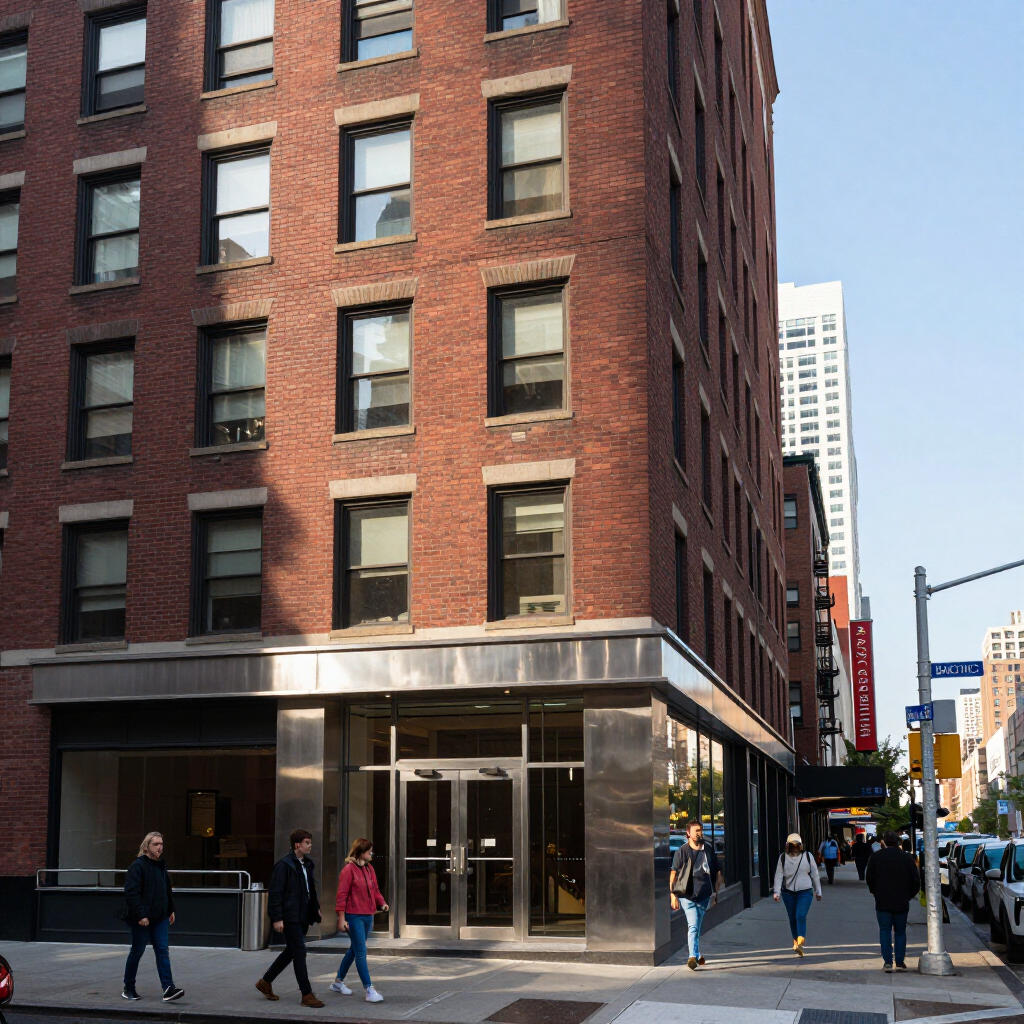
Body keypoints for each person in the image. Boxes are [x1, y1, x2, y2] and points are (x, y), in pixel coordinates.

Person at [256, 829, 324, 1007]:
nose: (310, 845)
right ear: (297, 845)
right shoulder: (284, 866)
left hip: (303, 915)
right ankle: (306, 994)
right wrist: (277, 918)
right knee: (299, 953)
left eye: (310, 842)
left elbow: (310, 890)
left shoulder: (306, 864)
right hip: (290, 916)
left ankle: (265, 981)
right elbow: (276, 894)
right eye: (307, 842)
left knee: (291, 951)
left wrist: (316, 909)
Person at [122, 832, 184, 1003]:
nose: (159, 847)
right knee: (137, 952)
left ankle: (168, 988)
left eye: (161, 844)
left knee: (163, 952)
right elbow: (131, 893)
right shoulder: (138, 866)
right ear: (146, 846)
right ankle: (129, 988)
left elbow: (166, 890)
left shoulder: (161, 866)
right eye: (156, 844)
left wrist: (170, 910)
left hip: (160, 918)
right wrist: (141, 915)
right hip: (142, 920)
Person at [330, 838, 388, 1003]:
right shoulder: (348, 870)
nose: (372, 853)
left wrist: (382, 903)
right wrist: (341, 918)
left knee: (355, 949)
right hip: (353, 916)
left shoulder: (370, 869)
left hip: (367, 915)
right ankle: (369, 989)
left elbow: (375, 890)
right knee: (361, 951)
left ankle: (338, 982)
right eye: (369, 850)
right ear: (361, 852)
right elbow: (341, 896)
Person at [669, 820, 723, 970]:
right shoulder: (682, 851)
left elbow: (717, 872)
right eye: (696, 831)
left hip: (704, 894)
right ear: (688, 834)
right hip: (687, 895)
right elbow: (673, 873)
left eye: (700, 830)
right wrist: (673, 895)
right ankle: (692, 956)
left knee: (697, 925)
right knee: (693, 925)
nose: (699, 833)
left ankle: (697, 954)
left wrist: (716, 893)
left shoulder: (709, 850)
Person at [865, 830, 921, 973]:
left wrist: (875, 892)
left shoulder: (876, 857)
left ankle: (888, 962)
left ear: (883, 842)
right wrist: (909, 895)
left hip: (882, 900)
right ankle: (900, 961)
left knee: (885, 931)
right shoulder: (907, 858)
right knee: (900, 931)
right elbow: (916, 880)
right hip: (901, 901)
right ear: (898, 842)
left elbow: (869, 878)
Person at [772, 833, 822, 955]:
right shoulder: (783, 858)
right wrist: (776, 892)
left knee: (800, 915)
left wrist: (818, 891)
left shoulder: (808, 856)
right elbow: (779, 875)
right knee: (792, 918)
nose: (794, 847)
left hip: (805, 891)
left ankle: (801, 939)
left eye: (797, 845)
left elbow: (815, 874)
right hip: (788, 893)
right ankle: (796, 941)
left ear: (800, 846)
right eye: (792, 845)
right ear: (788, 846)